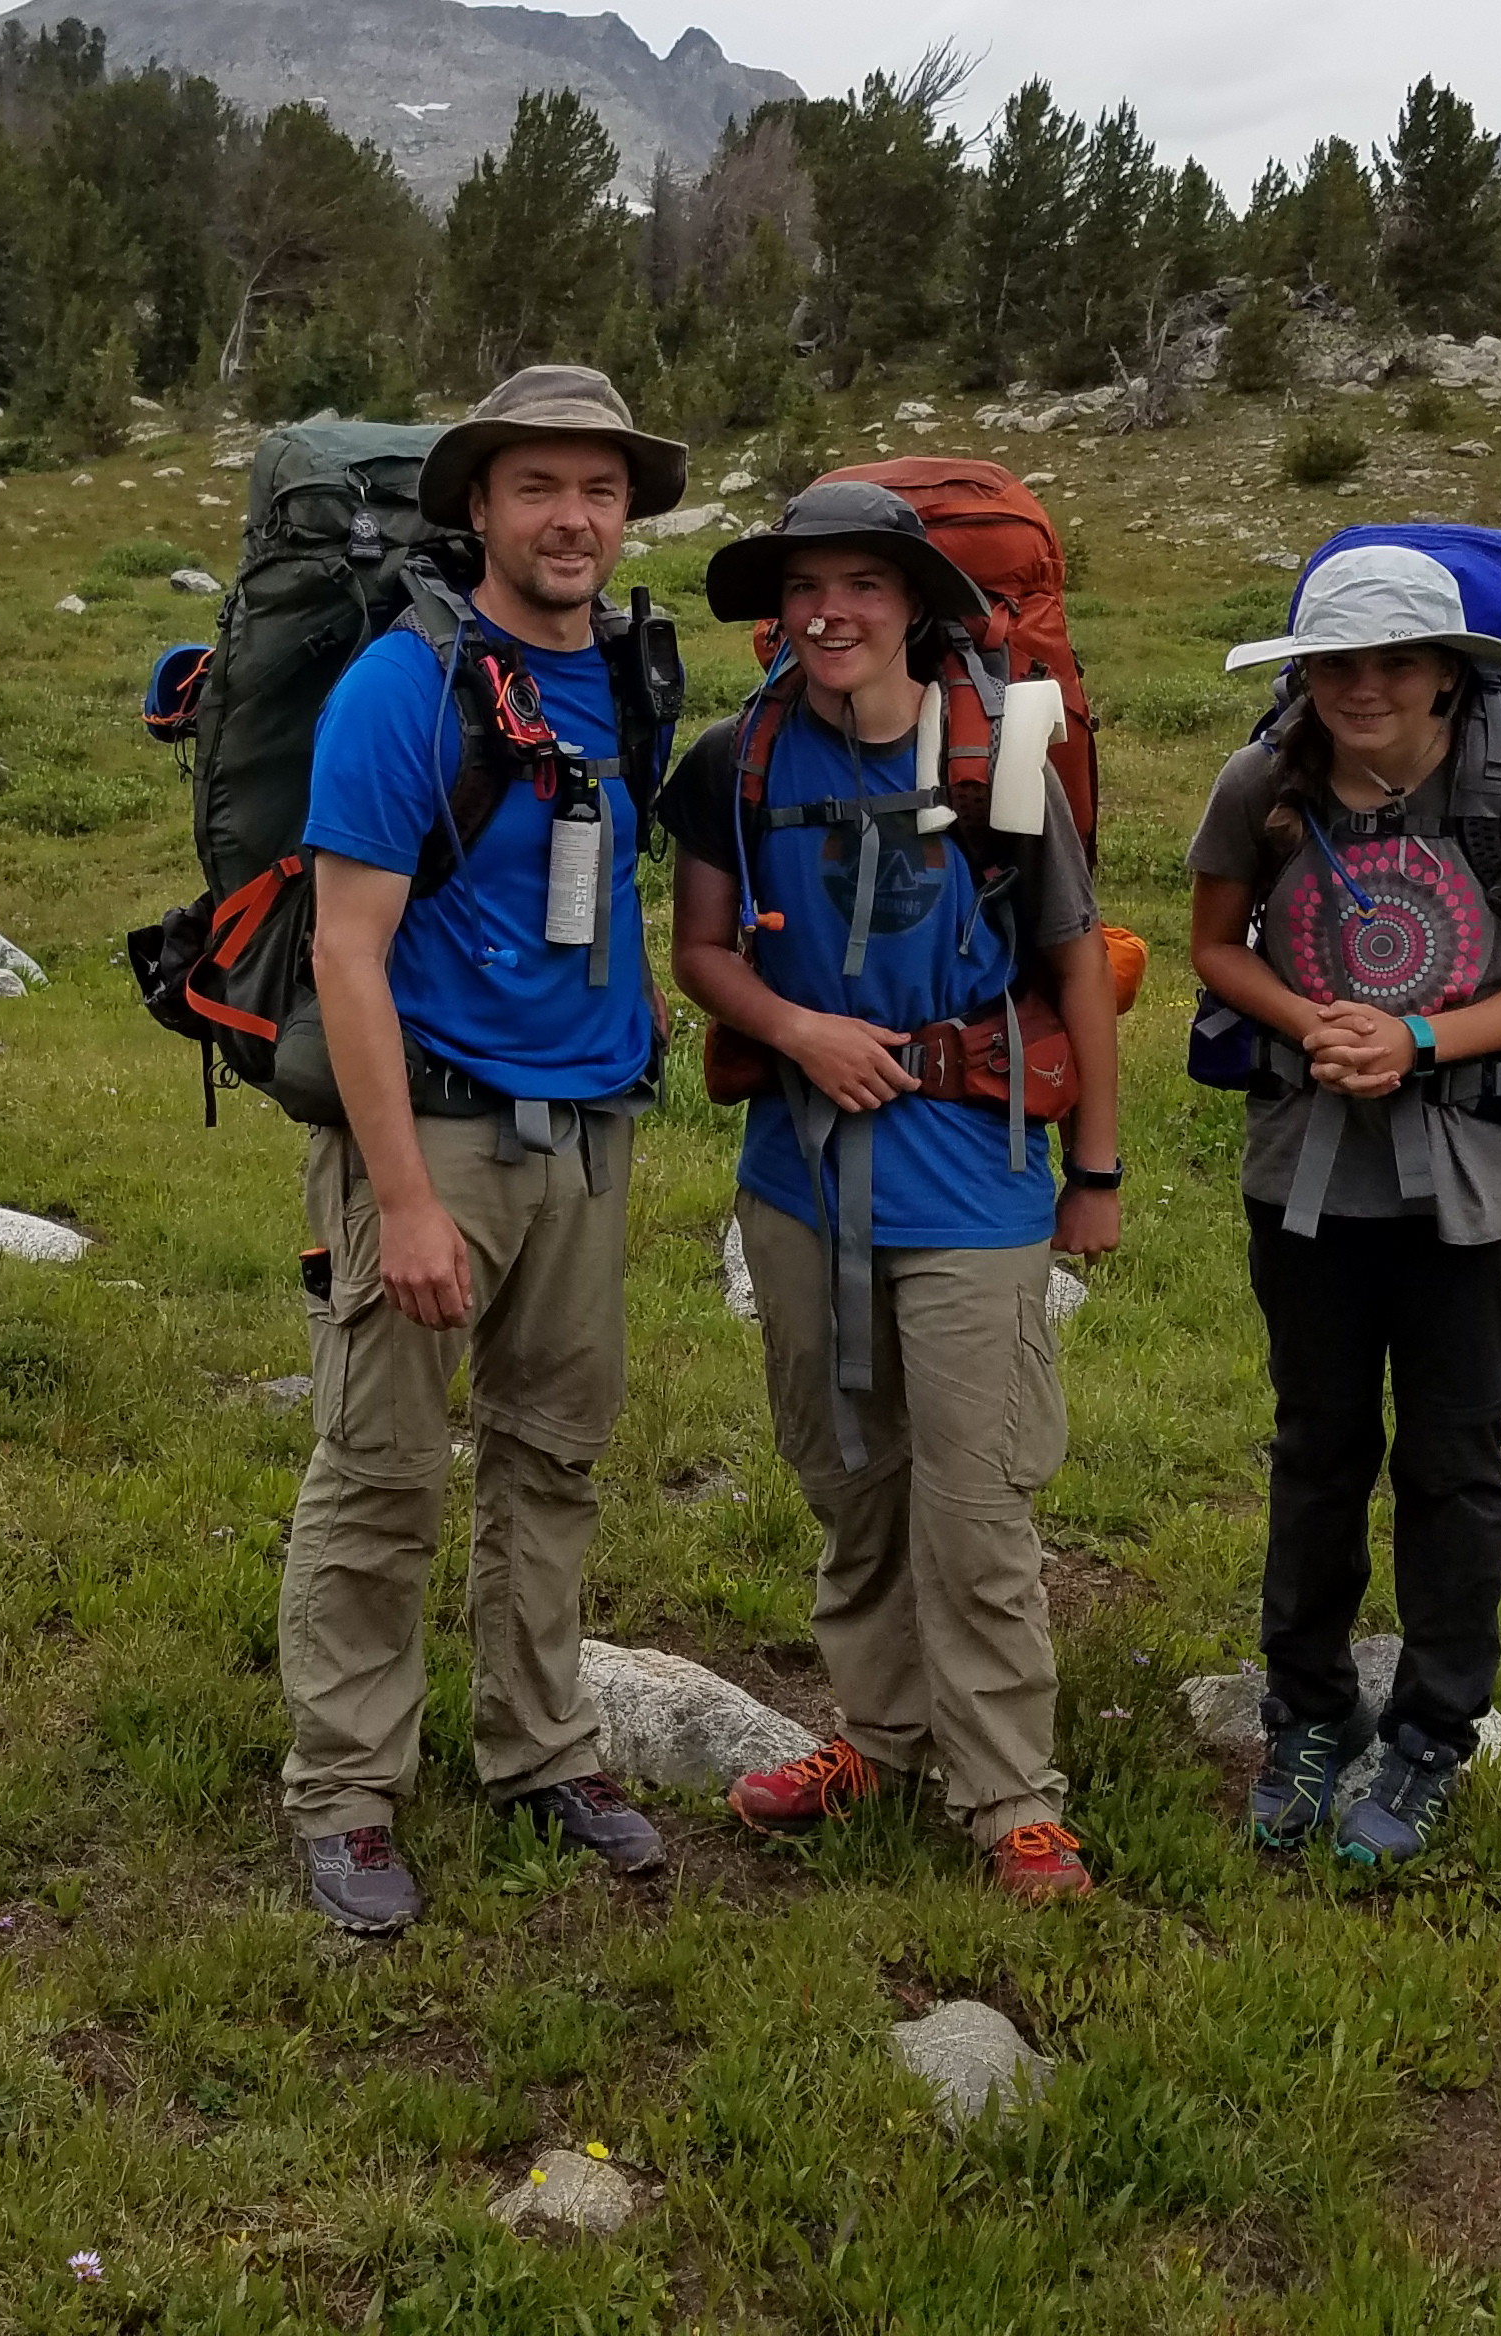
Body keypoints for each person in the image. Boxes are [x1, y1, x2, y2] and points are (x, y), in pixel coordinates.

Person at [667, 480, 1123, 1904]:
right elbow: (700, 950)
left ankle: (1010, 1797)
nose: (828, 613)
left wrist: (1096, 1169)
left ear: (916, 605)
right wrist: (798, 1029)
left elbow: (1075, 973)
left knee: (973, 1501)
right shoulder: (730, 762)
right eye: (805, 588)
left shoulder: (1003, 756)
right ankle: (882, 1736)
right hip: (798, 1178)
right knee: (847, 1473)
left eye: (863, 585)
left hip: (977, 1171)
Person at [278, 363, 687, 1933]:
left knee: (554, 1458)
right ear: (478, 506)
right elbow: (345, 951)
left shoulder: (635, 677)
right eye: (538, 487)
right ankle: (347, 1791)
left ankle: (543, 1749)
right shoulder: (405, 685)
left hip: (588, 1132)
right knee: (381, 1471)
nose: (573, 517)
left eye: (599, 488)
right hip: (433, 1133)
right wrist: (400, 1203)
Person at [1185, 547, 1501, 1869]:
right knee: (1317, 1447)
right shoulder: (1261, 782)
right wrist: (1317, 1020)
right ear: (1303, 673)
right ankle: (1307, 1711)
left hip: (1470, 1185)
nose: (1364, 688)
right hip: (1304, 1178)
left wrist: (1418, 1041)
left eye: (1394, 663)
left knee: (1453, 1458)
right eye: (1336, 664)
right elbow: (1212, 944)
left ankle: (1432, 1729)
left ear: (1444, 673)